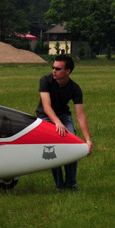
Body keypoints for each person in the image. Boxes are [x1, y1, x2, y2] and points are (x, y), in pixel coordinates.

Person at [36, 54, 92, 190]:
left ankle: (71, 184)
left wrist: (88, 140)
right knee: (53, 146)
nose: (54, 71)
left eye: (58, 69)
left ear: (68, 71)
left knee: (72, 144)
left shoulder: (75, 88)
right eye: (53, 67)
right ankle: (59, 185)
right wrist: (57, 123)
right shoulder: (45, 80)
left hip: (64, 116)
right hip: (46, 116)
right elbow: (46, 106)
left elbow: (80, 115)